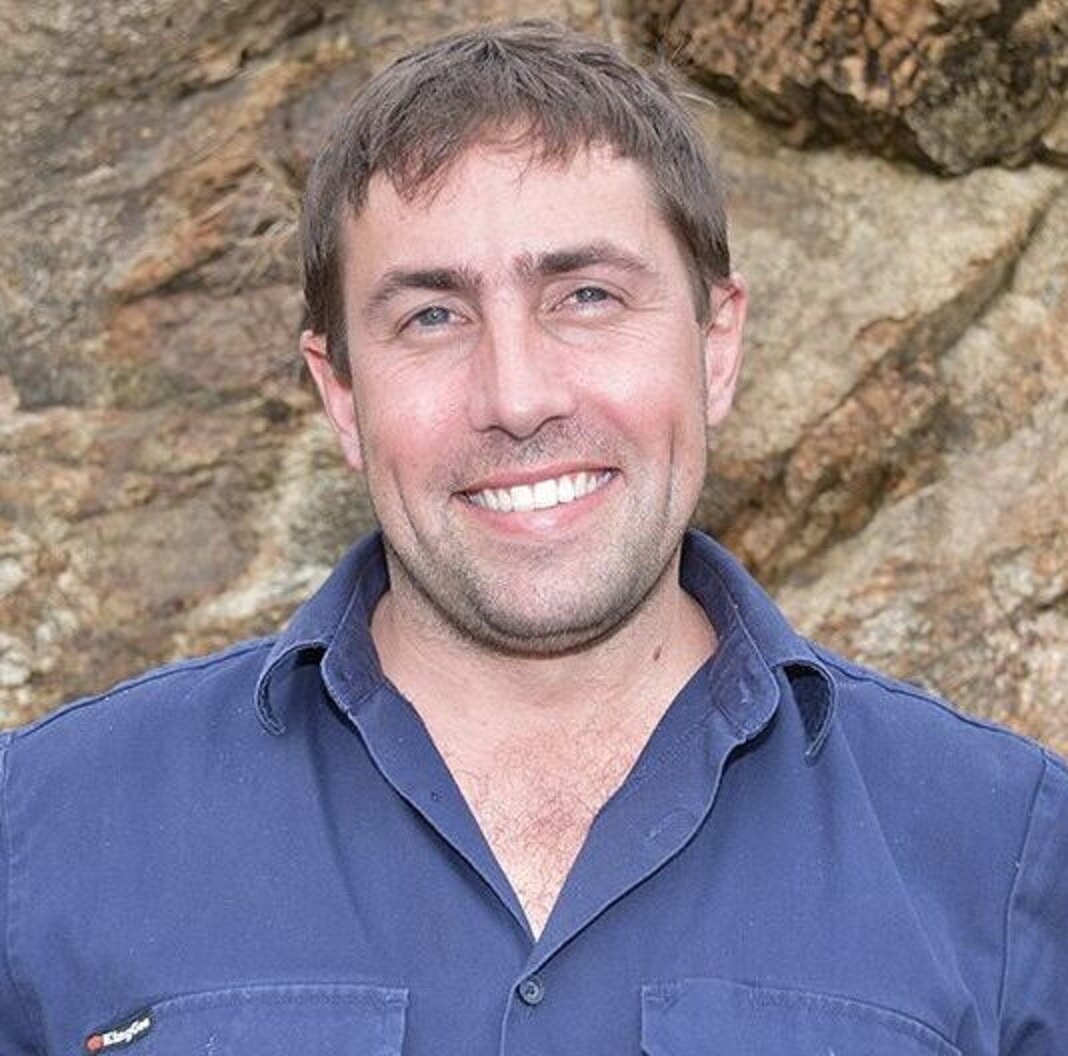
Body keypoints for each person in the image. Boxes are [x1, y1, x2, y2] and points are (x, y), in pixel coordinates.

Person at [1, 20, 1064, 1056]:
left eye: (587, 295)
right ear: (339, 394)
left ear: (718, 344)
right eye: (431, 316)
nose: (515, 396)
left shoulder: (1005, 852)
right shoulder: (44, 834)